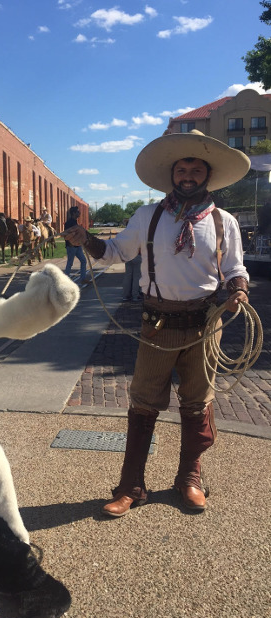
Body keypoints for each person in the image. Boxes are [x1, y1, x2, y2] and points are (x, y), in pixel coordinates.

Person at [64, 130, 251, 515]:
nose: (187, 174)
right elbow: (114, 252)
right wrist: (85, 239)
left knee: (197, 404)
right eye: (181, 168)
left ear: (207, 175)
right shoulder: (148, 216)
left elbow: (234, 267)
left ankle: (189, 479)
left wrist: (239, 290)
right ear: (172, 174)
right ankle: (131, 485)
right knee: (143, 405)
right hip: (157, 325)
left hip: (204, 324)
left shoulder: (223, 222)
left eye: (195, 168)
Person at [64, 206, 87, 284]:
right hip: (71, 247)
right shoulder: (69, 223)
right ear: (73, 213)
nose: (79, 213)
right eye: (77, 212)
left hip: (78, 246)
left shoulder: (75, 222)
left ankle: (83, 279)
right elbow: (67, 236)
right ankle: (65, 281)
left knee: (83, 261)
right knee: (70, 263)